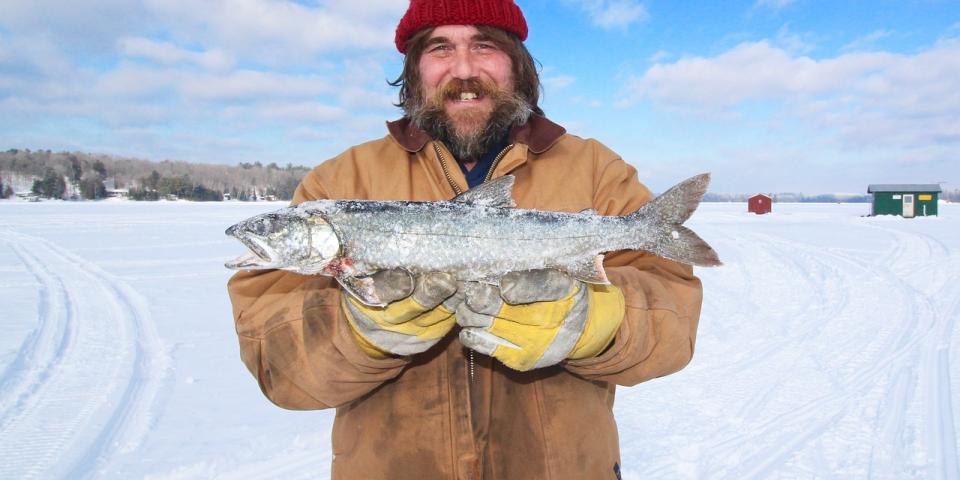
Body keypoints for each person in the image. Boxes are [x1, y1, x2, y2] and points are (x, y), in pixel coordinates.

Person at [227, 0, 704, 478]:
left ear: (518, 63)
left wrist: (597, 323)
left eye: (484, 45)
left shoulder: (596, 168)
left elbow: (674, 323)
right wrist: (358, 334)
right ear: (413, 69)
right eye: (440, 47)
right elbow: (275, 364)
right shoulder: (338, 180)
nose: (464, 68)